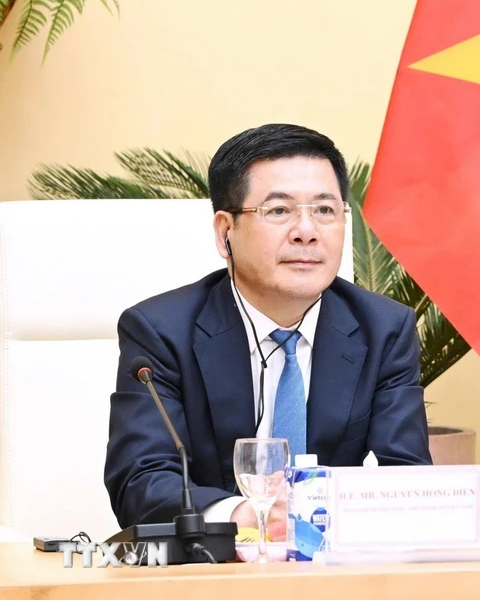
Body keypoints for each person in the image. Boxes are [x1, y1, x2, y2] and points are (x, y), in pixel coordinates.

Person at [104, 123, 432, 535]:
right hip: (212, 566)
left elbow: (407, 478)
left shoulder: (383, 329)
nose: (307, 232)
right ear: (225, 233)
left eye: (325, 211)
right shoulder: (162, 332)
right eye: (279, 211)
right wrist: (243, 516)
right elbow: (139, 481)